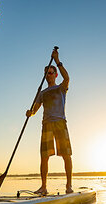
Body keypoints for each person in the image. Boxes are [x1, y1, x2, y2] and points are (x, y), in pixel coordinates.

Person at [26, 49, 73, 195]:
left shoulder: (61, 88)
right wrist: (31, 113)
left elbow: (67, 78)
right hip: (46, 124)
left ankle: (69, 186)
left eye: (51, 73)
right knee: (44, 157)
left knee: (66, 155)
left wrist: (57, 61)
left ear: (55, 74)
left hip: (60, 122)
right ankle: (44, 187)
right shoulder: (42, 93)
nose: (48, 75)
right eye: (46, 73)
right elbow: (36, 108)